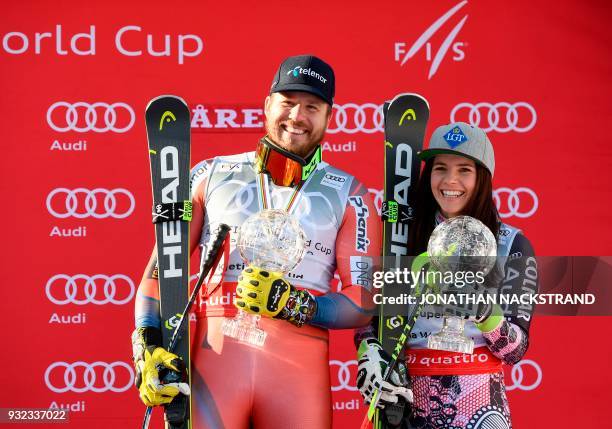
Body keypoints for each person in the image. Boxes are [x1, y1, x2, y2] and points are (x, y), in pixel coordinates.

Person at [131, 55, 381, 429]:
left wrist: (299, 305)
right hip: (215, 360)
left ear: (329, 117)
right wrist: (148, 343)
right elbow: (159, 272)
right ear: (267, 105)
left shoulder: (352, 194)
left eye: (312, 107)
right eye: (287, 102)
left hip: (297, 371)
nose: (297, 116)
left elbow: (363, 300)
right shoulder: (210, 173)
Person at [355, 122, 539, 429]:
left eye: (464, 170)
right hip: (405, 400)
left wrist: (484, 312)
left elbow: (516, 349)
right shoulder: (401, 238)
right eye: (441, 168)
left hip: (478, 407)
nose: (450, 180)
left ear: (482, 178)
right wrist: (369, 351)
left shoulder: (510, 243)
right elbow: (371, 323)